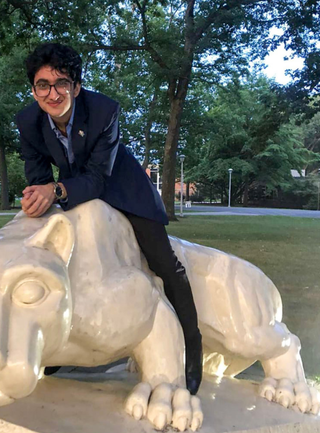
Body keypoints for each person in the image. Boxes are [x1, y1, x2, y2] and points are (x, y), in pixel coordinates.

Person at [14, 43, 204, 395]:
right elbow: (37, 174)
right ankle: (56, 342)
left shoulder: (104, 112)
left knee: (165, 264)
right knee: (58, 255)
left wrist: (54, 190)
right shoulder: (28, 121)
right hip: (71, 192)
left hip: (121, 187)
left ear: (76, 86)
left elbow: (100, 177)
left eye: (61, 83)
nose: (52, 93)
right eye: (43, 85)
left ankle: (192, 348)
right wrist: (35, 195)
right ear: (33, 89)